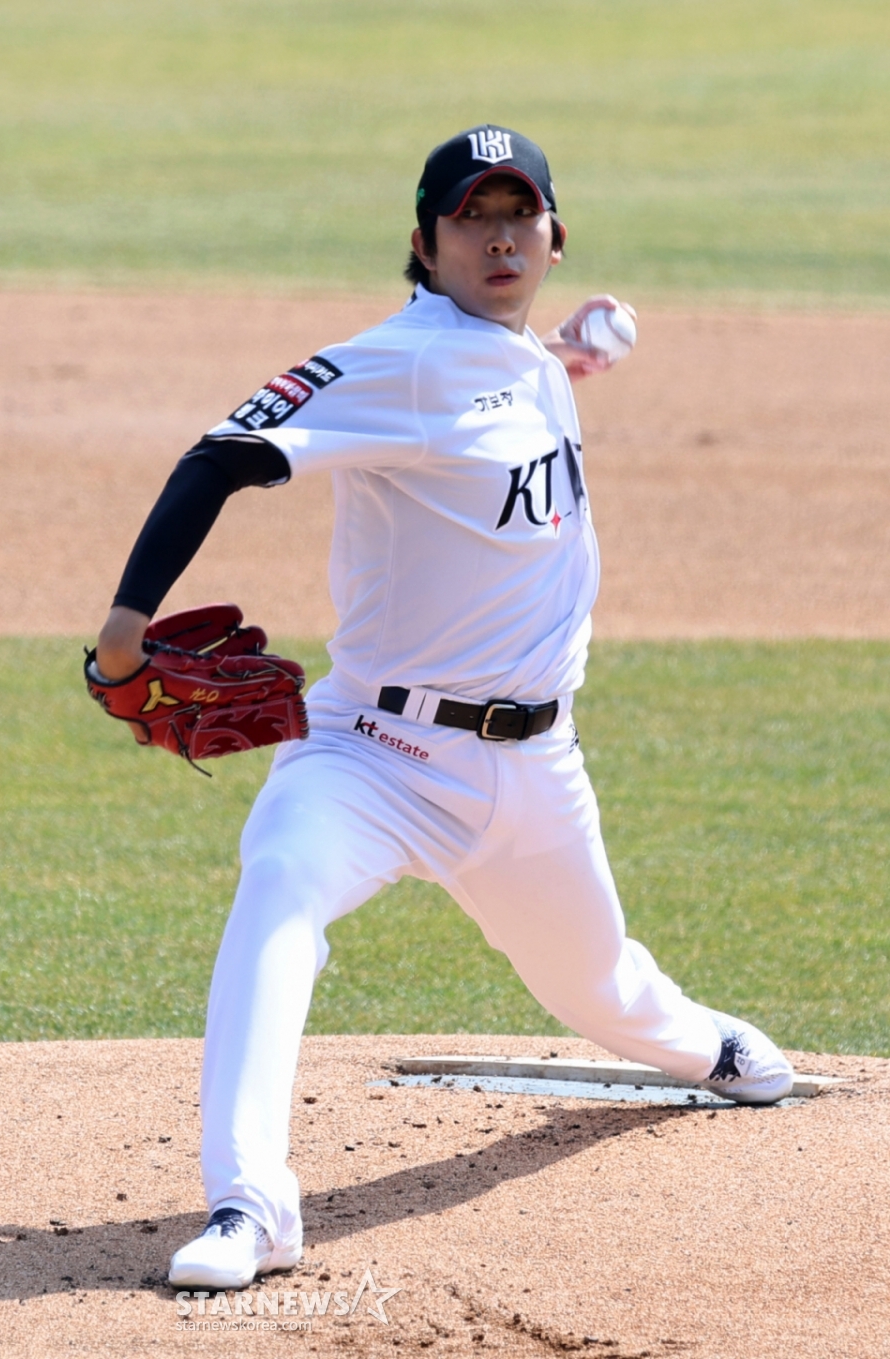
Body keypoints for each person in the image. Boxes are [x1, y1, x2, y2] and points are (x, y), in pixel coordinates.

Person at [91, 124, 795, 1291]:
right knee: (280, 886)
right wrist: (123, 633)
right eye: (472, 216)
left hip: (535, 774)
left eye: (520, 212)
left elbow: (491, 405)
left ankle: (702, 1046)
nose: (499, 233)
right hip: (373, 750)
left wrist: (564, 359)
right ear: (425, 245)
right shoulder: (403, 361)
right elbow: (218, 459)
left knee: (599, 987)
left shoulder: (514, 360)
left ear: (555, 238)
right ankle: (248, 1205)